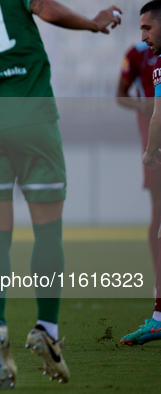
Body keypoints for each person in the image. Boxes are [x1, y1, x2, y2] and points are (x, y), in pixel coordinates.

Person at [0, 0, 121, 388]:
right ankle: (45, 328)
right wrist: (93, 25)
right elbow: (46, 9)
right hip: (34, 117)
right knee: (48, 231)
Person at [124, 0, 161, 347]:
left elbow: (158, 114)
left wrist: (149, 152)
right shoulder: (153, 61)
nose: (143, 37)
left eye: (147, 28)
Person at [117, 40, 161, 270]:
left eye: (147, 27)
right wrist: (141, 105)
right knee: (158, 205)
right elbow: (120, 94)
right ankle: (159, 278)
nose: (144, 35)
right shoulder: (137, 53)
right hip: (154, 134)